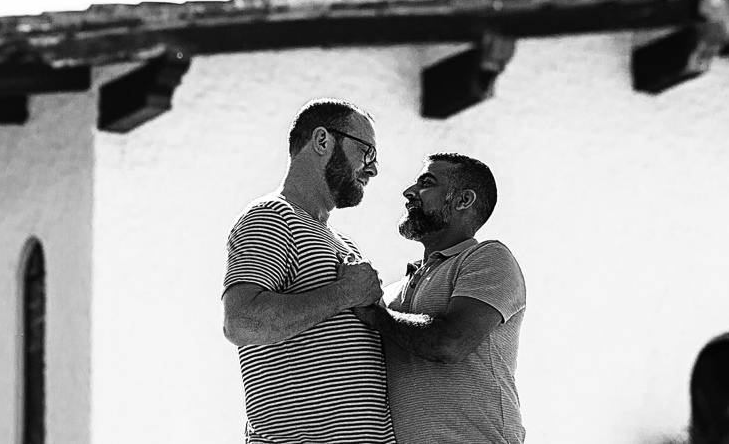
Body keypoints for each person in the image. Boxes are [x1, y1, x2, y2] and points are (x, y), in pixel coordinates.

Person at [222, 99, 395, 444]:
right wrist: (346, 293)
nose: (373, 169)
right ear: (322, 141)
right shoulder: (271, 216)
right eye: (367, 153)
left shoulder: (341, 241)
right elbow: (241, 322)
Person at [357, 153, 526, 444]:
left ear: (463, 200)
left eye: (427, 182)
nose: (409, 192)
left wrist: (374, 313)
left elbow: (450, 343)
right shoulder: (391, 292)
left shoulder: (487, 258)